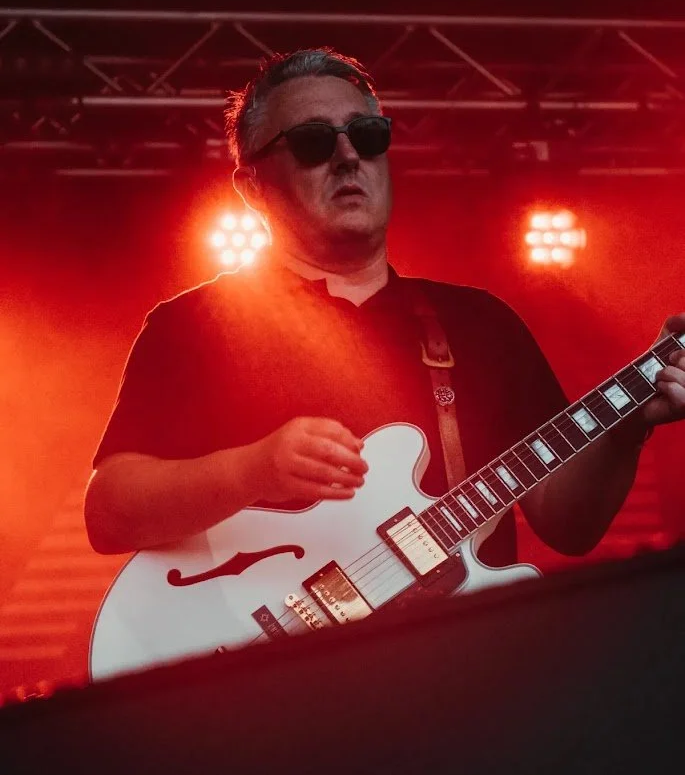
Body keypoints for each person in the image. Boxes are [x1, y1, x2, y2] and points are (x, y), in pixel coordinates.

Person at [85, 48, 685, 565]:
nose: (349, 157)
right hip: (274, 657)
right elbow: (109, 514)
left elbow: (569, 527)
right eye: (314, 141)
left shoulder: (480, 324)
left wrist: (627, 426)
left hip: (461, 656)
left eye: (368, 135)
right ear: (253, 187)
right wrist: (253, 470)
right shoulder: (195, 325)